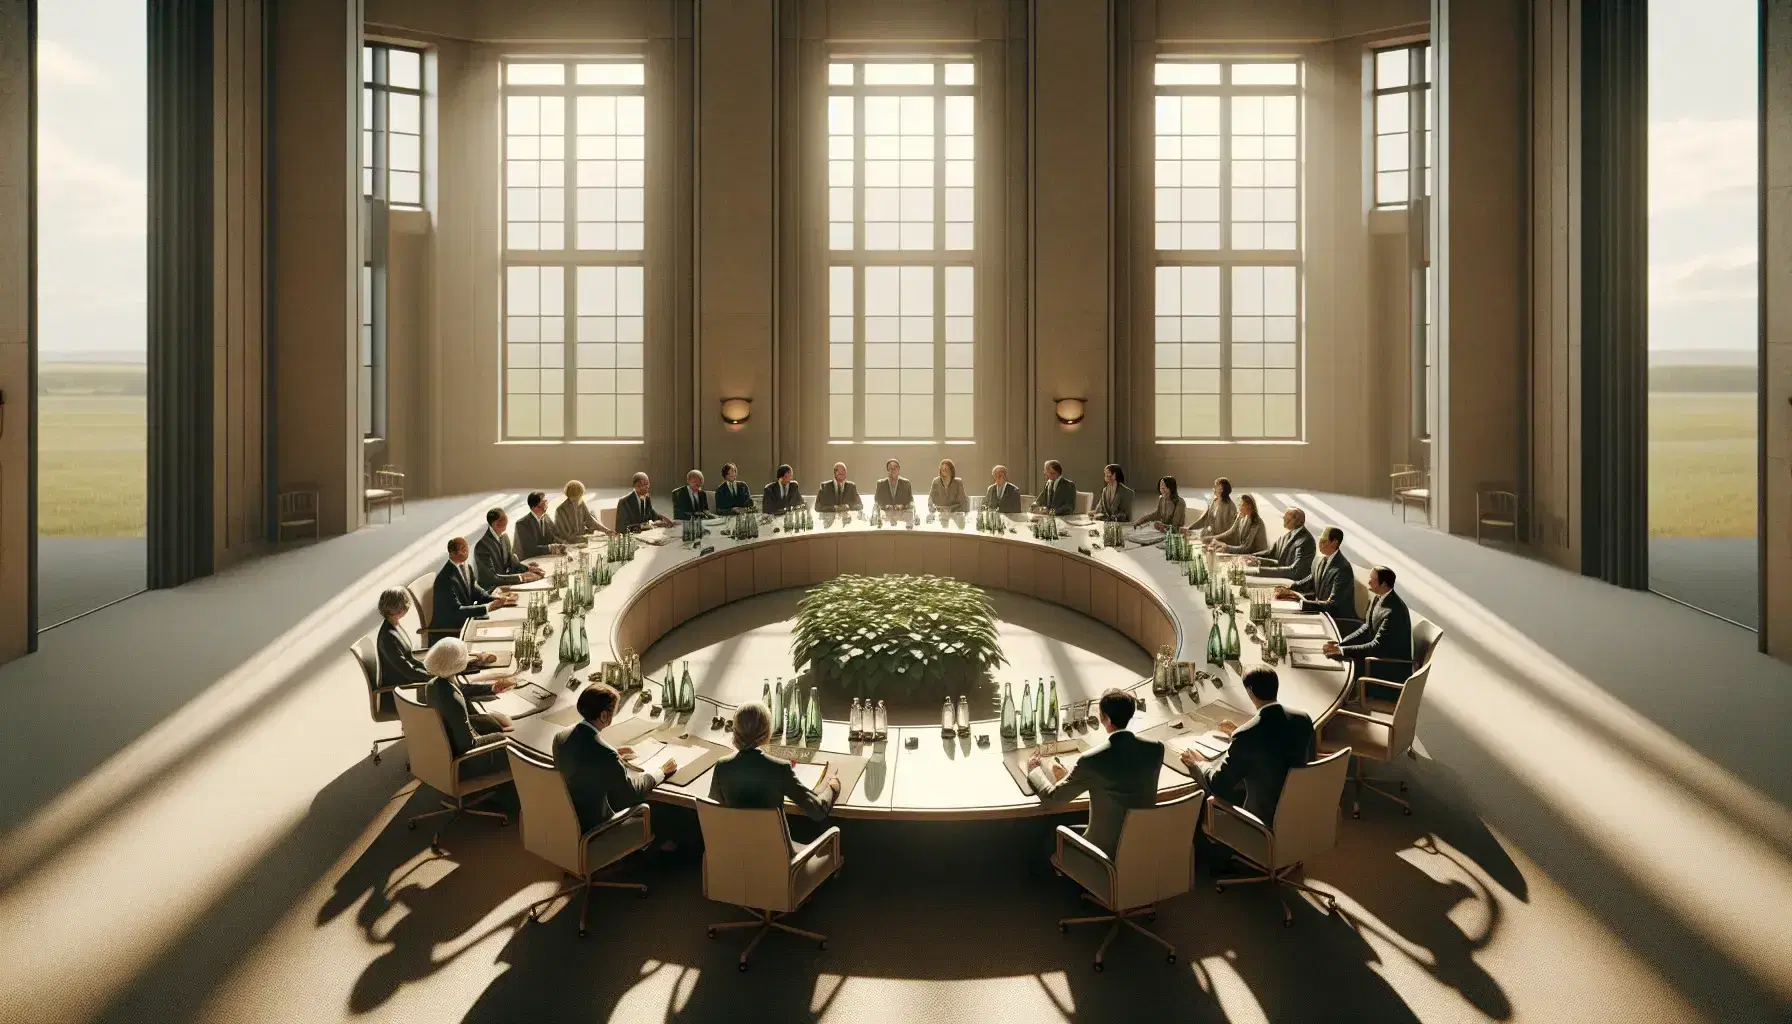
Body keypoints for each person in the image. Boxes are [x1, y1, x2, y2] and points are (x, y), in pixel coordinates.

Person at [1026, 688, 1164, 857]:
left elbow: (1052, 799)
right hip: (1142, 842)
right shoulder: (1156, 749)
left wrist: (1034, 771)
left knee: (1046, 837)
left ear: (1103, 717)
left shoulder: (1091, 760)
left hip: (1105, 851)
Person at [1180, 667, 1315, 827]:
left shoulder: (1246, 735)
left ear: (1250, 691)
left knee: (1207, 797)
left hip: (1262, 821)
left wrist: (1199, 763)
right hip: (1300, 808)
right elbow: (1280, 744)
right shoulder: (1303, 719)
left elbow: (1219, 785)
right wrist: (1239, 732)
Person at [554, 682, 679, 834]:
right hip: (598, 827)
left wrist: (614, 756)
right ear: (604, 715)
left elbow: (586, 760)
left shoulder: (561, 737)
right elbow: (632, 793)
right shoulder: (606, 755)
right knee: (668, 815)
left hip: (570, 818)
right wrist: (661, 772)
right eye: (614, 711)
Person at [711, 701, 841, 836]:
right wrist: (832, 788)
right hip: (776, 854)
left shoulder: (722, 767)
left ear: (735, 731)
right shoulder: (780, 769)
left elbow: (714, 810)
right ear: (767, 732)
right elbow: (817, 811)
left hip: (735, 851)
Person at [423, 638, 516, 778]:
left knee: (499, 722)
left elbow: (463, 690)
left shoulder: (434, 685)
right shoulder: (454, 700)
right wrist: (504, 737)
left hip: (447, 747)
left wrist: (491, 688)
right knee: (516, 740)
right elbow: (469, 744)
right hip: (467, 761)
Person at [1324, 566, 1412, 684]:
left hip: (1388, 668)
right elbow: (1366, 627)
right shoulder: (1378, 597)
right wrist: (1342, 644)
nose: (1369, 582)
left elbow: (1377, 646)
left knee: (1339, 669)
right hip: (1377, 657)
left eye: (1373, 580)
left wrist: (1342, 650)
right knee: (1336, 658)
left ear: (1384, 584)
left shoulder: (1394, 611)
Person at [1275, 527, 1359, 630]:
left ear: (1335, 542)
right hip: (1322, 613)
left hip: (1337, 621)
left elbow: (1333, 605)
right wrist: (1289, 588)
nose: (1319, 544)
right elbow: (1308, 581)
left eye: (1323, 541)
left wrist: (1301, 601)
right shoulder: (1320, 561)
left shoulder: (1343, 568)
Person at [432, 538, 516, 639]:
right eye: (462, 549)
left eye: (466, 547)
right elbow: (456, 611)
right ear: (451, 553)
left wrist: (496, 598)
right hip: (451, 631)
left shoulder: (466, 567)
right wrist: (489, 607)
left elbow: (475, 590)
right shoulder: (445, 578)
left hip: (468, 620)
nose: (466, 551)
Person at [475, 508, 542, 590]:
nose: (506, 521)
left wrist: (528, 568)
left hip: (506, 584)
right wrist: (522, 577)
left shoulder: (505, 538)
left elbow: (511, 563)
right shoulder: (482, 546)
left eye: (505, 517)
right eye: (503, 519)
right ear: (495, 523)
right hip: (492, 590)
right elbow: (491, 578)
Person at [1247, 507, 1316, 580]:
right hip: (1281, 579)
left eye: (1287, 518)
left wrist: (1258, 571)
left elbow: (1295, 571)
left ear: (1298, 521)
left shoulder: (1306, 541)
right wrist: (1252, 557)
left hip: (1293, 584)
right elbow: (1271, 554)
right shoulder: (1285, 537)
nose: (1284, 518)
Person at [513, 491, 566, 559]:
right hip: (529, 561)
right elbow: (530, 550)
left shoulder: (546, 517)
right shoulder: (522, 524)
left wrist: (564, 544)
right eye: (544, 500)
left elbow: (555, 536)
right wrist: (551, 547)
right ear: (535, 506)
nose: (547, 502)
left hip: (545, 558)